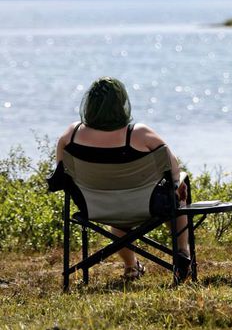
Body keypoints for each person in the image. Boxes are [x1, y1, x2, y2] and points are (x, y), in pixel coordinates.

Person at [55, 77, 191, 281]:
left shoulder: (70, 135)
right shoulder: (140, 134)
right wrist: (176, 183)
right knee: (180, 188)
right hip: (145, 205)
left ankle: (131, 266)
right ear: (122, 105)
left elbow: (61, 176)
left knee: (115, 198)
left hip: (95, 207)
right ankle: (182, 252)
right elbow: (173, 171)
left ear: (89, 105)